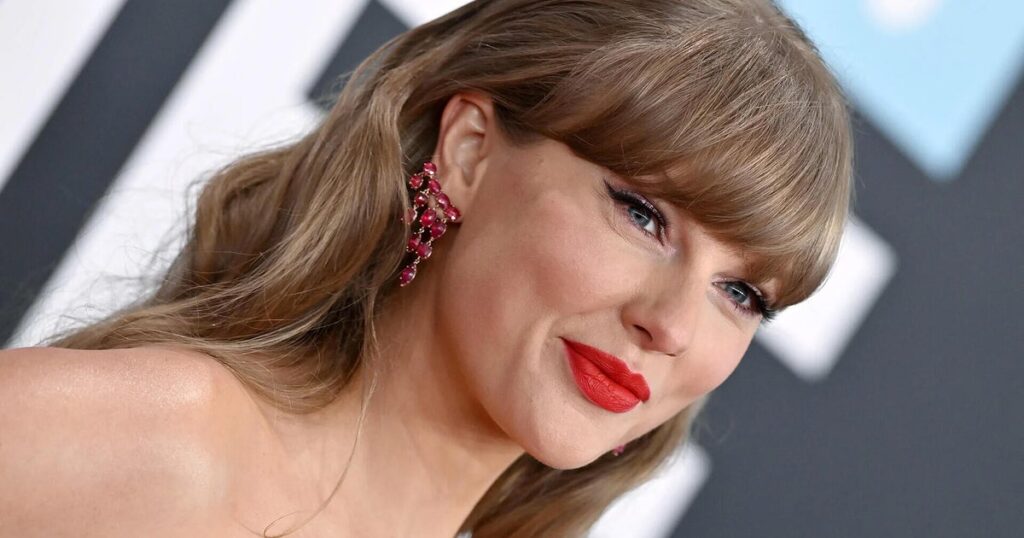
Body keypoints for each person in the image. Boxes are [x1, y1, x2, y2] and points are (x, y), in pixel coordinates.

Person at [0, 0, 853, 536]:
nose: (671, 326)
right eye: (642, 215)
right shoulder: (154, 443)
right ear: (471, 151)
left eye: (741, 294)